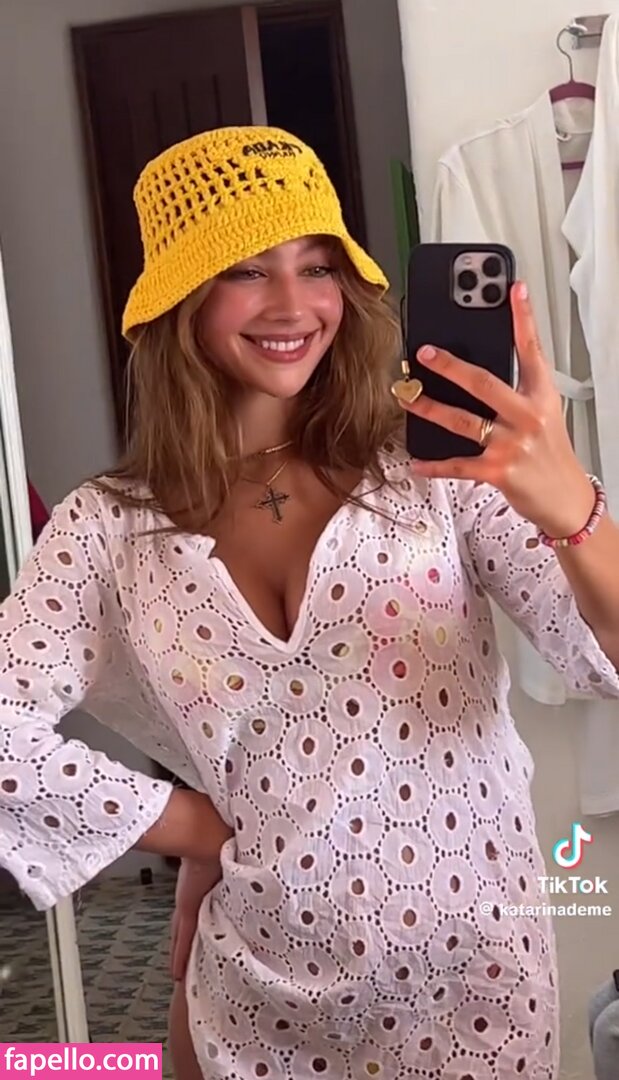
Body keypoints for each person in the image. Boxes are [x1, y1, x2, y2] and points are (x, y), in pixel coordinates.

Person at [2, 126, 619, 1080]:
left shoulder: (438, 470)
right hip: (252, 1002)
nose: (293, 305)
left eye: (318, 266)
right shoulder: (107, 530)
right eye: (246, 270)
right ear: (178, 296)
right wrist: (190, 824)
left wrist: (570, 508)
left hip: (475, 991)